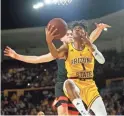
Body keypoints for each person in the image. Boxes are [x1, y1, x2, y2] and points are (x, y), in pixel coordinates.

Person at [4, 23, 110, 116]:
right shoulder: (62, 50)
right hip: (64, 84)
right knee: (63, 113)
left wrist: (99, 29)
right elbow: (38, 59)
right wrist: (17, 56)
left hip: (84, 85)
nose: (70, 35)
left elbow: (91, 39)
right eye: (67, 34)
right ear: (61, 38)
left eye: (70, 34)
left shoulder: (82, 44)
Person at [46, 21, 110, 116]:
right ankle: (84, 112)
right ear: (72, 34)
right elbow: (55, 54)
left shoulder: (90, 46)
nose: (78, 29)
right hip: (74, 83)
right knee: (67, 83)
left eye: (81, 29)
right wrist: (49, 42)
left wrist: (92, 45)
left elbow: (102, 61)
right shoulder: (67, 47)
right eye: (76, 29)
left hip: (90, 86)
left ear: (85, 34)